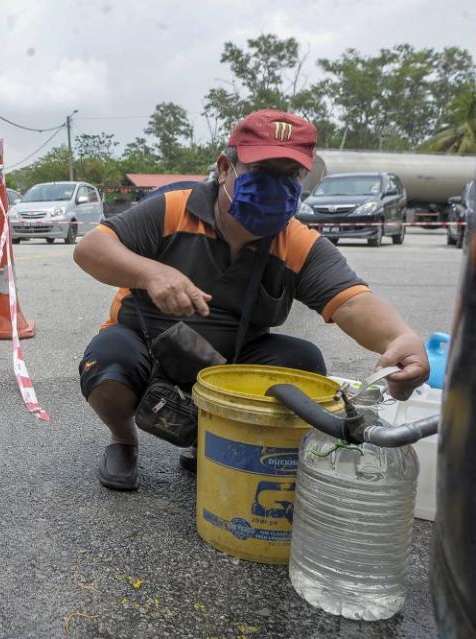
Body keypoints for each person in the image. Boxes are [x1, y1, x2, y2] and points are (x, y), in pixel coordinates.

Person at [74, 109, 429, 491]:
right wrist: (152, 273)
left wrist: (400, 340)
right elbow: (91, 249)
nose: (276, 187)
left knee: (303, 363)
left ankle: (208, 442)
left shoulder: (295, 241)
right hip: (146, 345)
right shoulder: (173, 208)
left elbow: (352, 301)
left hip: (230, 362)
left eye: (289, 175)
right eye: (262, 172)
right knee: (108, 359)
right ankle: (123, 440)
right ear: (225, 168)